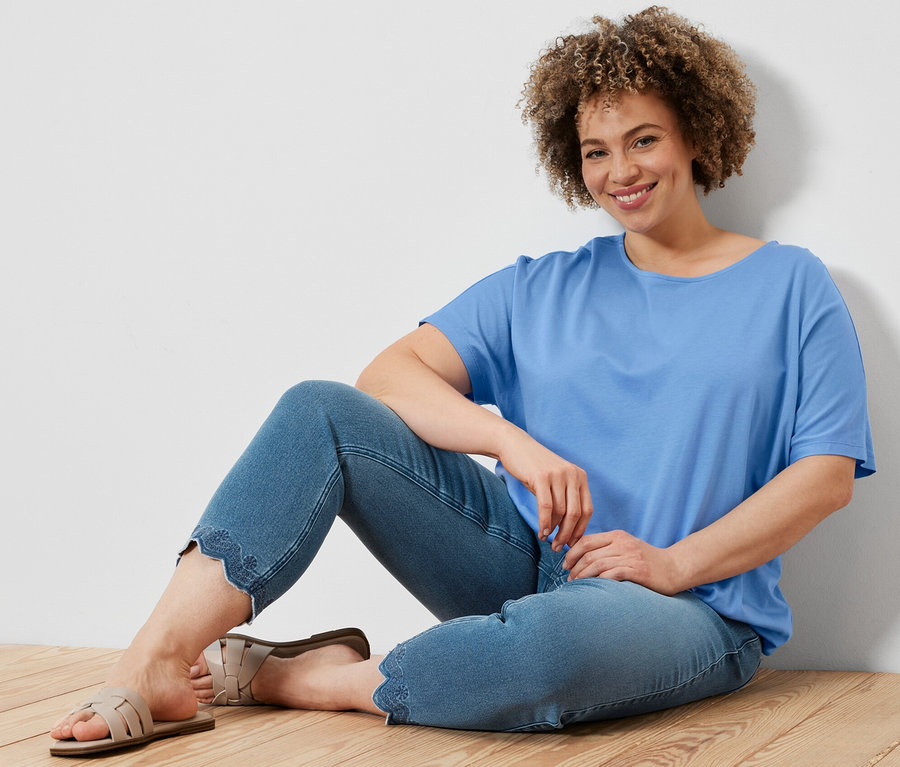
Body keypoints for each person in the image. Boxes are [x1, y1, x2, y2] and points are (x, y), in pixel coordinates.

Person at [49, 6, 874, 756]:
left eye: (644, 139)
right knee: (319, 412)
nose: (620, 169)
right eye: (596, 151)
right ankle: (154, 661)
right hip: (528, 560)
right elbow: (388, 375)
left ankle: (306, 678)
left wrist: (670, 564)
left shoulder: (791, 286)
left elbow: (825, 475)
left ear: (694, 132)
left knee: (548, 650)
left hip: (692, 608)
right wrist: (508, 441)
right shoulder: (541, 287)